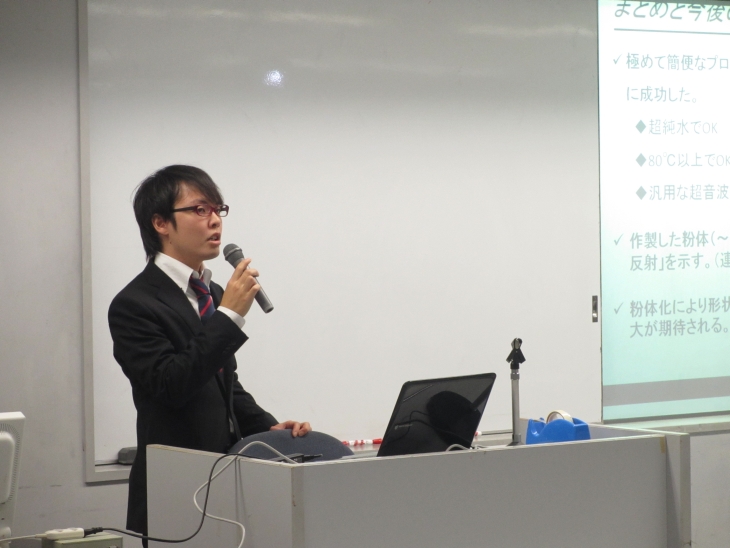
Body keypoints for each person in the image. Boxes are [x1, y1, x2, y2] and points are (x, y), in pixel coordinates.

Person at [108, 165, 310, 541]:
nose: (215, 221)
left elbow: (223, 384)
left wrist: (269, 430)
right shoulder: (134, 304)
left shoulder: (211, 293)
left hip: (228, 481)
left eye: (218, 209)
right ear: (161, 223)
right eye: (200, 210)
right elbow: (172, 384)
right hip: (175, 487)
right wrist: (229, 316)